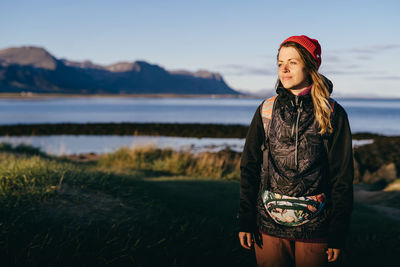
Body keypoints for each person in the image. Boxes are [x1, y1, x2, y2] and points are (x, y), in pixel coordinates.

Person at [237, 35, 354, 267]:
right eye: (280, 63)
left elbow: (342, 176)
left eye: (293, 62)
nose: (285, 69)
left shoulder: (332, 113)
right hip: (269, 224)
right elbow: (249, 167)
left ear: (310, 66)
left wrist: (337, 232)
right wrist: (245, 220)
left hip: (316, 227)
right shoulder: (266, 110)